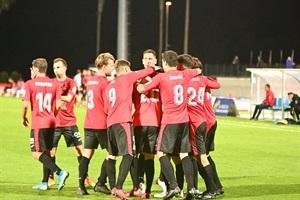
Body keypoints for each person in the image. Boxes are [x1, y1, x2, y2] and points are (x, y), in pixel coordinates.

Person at [137, 50, 202, 200]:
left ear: (165, 63)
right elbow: (198, 70)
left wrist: (142, 79)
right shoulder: (185, 74)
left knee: (161, 153)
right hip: (184, 120)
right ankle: (191, 188)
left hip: (170, 121)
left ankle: (173, 186)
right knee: (184, 154)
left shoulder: (161, 77)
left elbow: (141, 89)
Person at [104, 59, 159, 200]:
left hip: (110, 123)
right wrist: (153, 67)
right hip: (123, 121)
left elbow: (106, 108)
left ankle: (113, 190)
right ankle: (119, 187)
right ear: (126, 69)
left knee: (112, 156)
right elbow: (147, 71)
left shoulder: (109, 86)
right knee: (129, 154)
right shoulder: (127, 77)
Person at [21, 58, 69, 191]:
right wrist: (51, 115)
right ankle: (44, 182)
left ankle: (60, 173)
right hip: (52, 122)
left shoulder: (30, 83)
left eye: (32, 68)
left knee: (36, 153)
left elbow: (25, 105)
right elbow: (59, 104)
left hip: (38, 123)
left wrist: (23, 117)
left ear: (36, 70)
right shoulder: (54, 84)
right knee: (47, 152)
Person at [178, 54, 220, 199]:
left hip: (195, 122)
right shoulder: (202, 80)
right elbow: (216, 84)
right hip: (202, 120)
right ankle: (211, 188)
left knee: (201, 157)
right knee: (198, 157)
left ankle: (212, 189)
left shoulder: (184, 81)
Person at [50, 58, 94, 187]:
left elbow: (69, 98)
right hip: (55, 123)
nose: (56, 70)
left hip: (69, 122)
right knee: (51, 151)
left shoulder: (71, 83)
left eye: (58, 67)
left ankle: (86, 177)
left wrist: (54, 96)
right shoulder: (51, 83)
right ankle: (50, 178)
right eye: (54, 68)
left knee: (80, 150)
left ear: (64, 68)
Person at [77, 53, 116, 195]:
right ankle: (101, 182)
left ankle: (81, 187)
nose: (113, 68)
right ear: (104, 66)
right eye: (111, 65)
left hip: (89, 123)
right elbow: (107, 105)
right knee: (113, 153)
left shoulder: (90, 81)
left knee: (87, 154)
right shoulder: (105, 83)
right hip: (101, 124)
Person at [130, 49, 162, 199]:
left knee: (149, 157)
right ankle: (137, 186)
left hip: (154, 123)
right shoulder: (136, 79)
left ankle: (147, 190)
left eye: (151, 58)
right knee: (136, 155)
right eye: (146, 58)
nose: (148, 61)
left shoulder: (161, 78)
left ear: (155, 61)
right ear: (142, 61)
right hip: (139, 123)